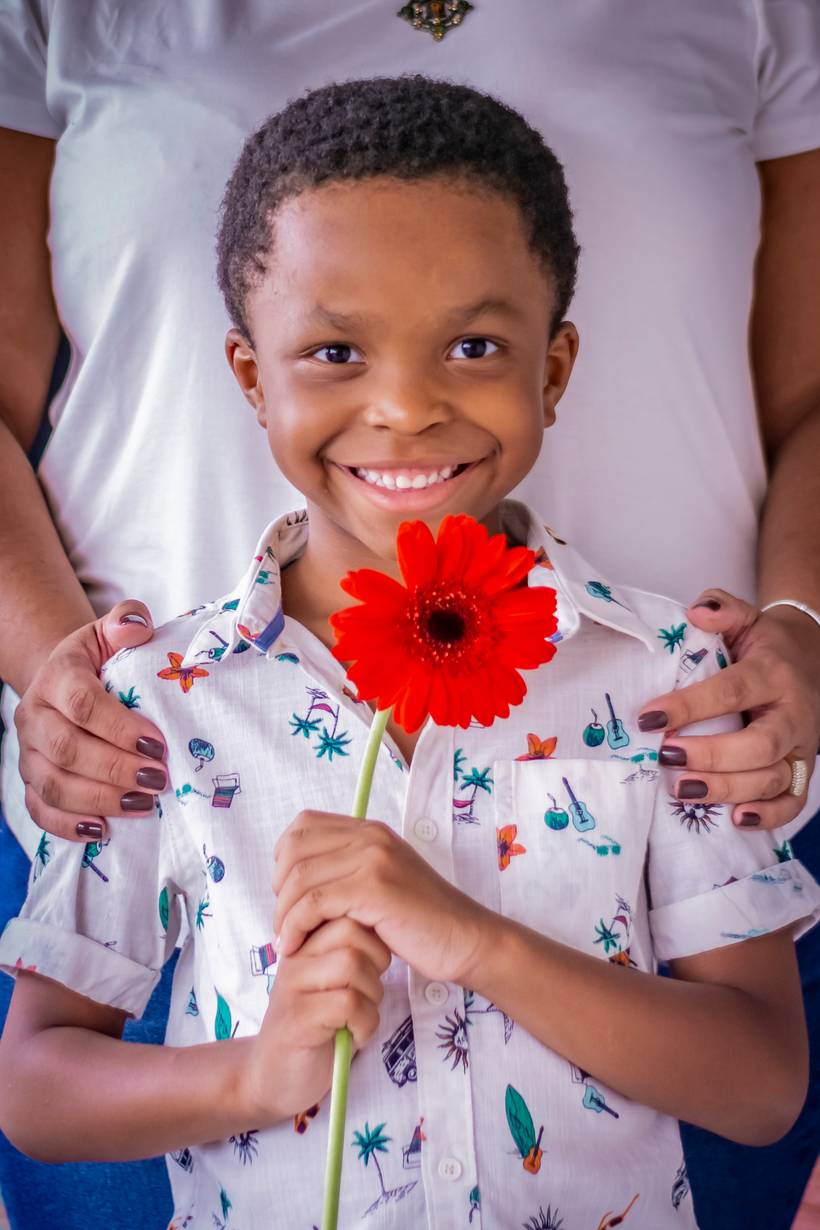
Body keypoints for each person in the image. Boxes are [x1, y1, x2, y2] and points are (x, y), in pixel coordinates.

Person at [1, 4, 819, 1228]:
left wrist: (469, 938)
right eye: (334, 353)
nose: (403, 409)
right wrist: (254, 1074)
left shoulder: (663, 679)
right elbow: (38, 1081)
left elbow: (762, 1085)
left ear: (553, 367)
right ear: (248, 374)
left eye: (475, 345)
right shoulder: (160, 709)